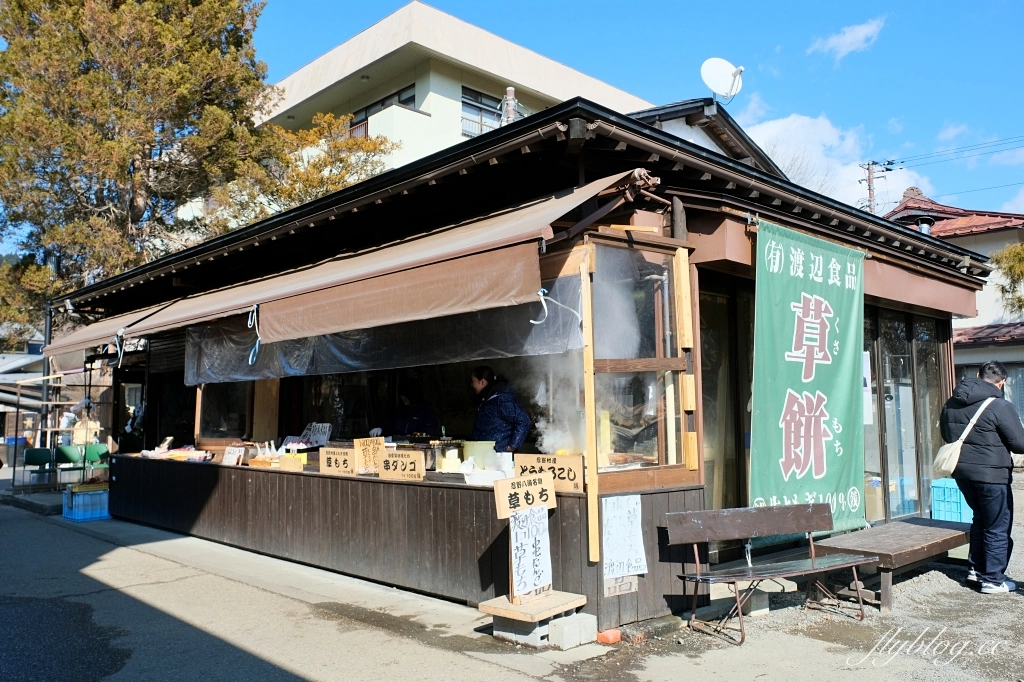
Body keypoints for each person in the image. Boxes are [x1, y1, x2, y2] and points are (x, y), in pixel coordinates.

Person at [940, 361, 1024, 594]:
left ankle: (976, 570)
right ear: (1002, 382)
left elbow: (947, 434)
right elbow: (1020, 444)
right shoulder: (1000, 406)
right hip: (992, 475)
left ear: (978, 375)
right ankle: (993, 580)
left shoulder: (951, 403)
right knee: (997, 525)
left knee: (980, 519)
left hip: (962, 473)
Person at [471, 366, 531, 452]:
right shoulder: (487, 399)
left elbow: (524, 420)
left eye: (473, 381)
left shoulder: (502, 399)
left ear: (482, 382)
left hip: (499, 455)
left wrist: (513, 445)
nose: (472, 385)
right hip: (486, 453)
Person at [369, 381, 438, 438]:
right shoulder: (400, 410)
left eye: (406, 396)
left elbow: (427, 432)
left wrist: (403, 438)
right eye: (402, 396)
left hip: (419, 446)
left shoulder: (427, 410)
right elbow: (390, 425)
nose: (403, 398)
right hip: (398, 446)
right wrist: (381, 429)